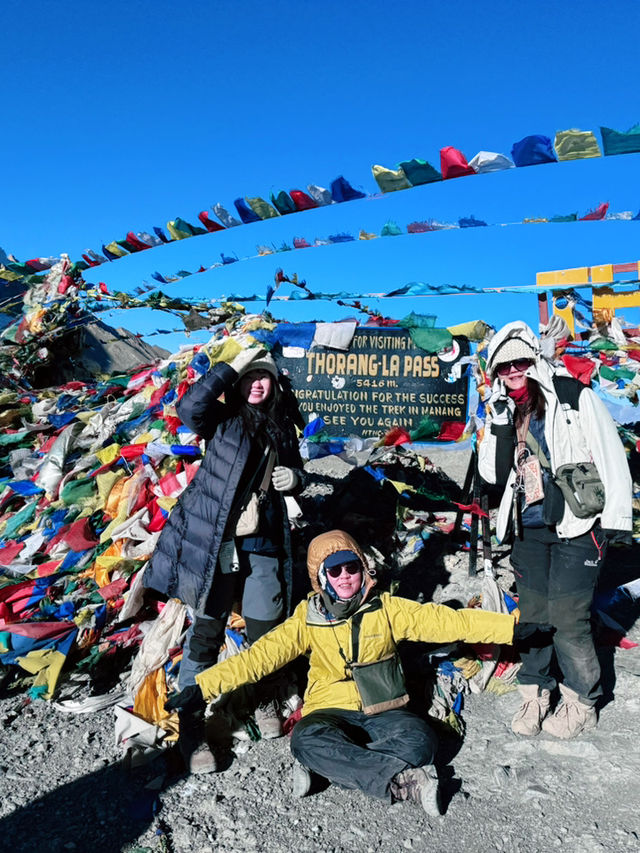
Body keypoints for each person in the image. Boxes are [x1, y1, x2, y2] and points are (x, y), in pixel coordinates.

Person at [167, 529, 516, 814]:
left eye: (351, 567)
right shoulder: (307, 618)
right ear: (321, 578)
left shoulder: (387, 608)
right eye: (334, 571)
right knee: (306, 739)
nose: (345, 577)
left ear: (363, 568)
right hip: (328, 712)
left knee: (422, 741)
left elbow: (448, 621)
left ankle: (330, 766)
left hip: (385, 708)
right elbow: (258, 657)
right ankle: (400, 782)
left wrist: (512, 629)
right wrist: (203, 687)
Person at [145, 344, 304, 771]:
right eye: (249, 377)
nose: (256, 384)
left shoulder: (282, 427)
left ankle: (263, 699)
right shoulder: (221, 419)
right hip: (217, 545)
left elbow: (295, 468)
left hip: (265, 543)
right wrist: (231, 364)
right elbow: (188, 406)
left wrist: (297, 477)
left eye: (263, 376)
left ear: (274, 384)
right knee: (207, 632)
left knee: (266, 633)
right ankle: (192, 725)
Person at [478, 320, 632, 739]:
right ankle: (535, 691)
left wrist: (617, 520)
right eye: (504, 367)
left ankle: (583, 700)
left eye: (521, 362)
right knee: (534, 616)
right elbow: (491, 474)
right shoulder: (501, 410)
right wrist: (497, 422)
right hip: (527, 528)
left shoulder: (571, 395)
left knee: (568, 617)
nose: (514, 372)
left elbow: (610, 452)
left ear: (534, 359)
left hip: (578, 524)